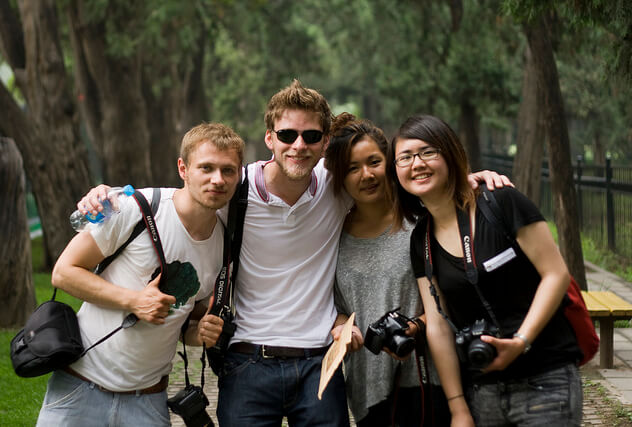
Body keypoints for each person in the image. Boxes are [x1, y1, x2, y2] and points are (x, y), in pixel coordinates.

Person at [81, 80, 509, 426]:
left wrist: (466, 179)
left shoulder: (337, 185)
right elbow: (186, 192)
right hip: (246, 362)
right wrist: (111, 195)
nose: (298, 145)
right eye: (287, 135)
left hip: (318, 365)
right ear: (270, 138)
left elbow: (392, 171)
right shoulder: (235, 188)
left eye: (310, 136)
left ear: (325, 142)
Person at [36, 123, 244, 427]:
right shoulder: (135, 209)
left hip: (147, 401)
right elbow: (64, 272)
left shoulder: (224, 245)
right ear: (183, 169)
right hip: (79, 386)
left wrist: (199, 334)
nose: (218, 179)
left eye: (228, 170)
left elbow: (184, 318)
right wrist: (133, 300)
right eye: (206, 168)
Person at [390, 114, 583, 426]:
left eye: (428, 152)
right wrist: (457, 408)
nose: (417, 164)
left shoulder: (500, 201)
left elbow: (555, 274)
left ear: (450, 153)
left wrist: (521, 341)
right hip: (482, 390)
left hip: (545, 378)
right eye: (405, 157)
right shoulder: (420, 239)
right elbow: (438, 326)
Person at [324, 112, 450, 426]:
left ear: (389, 161)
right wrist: (342, 329)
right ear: (340, 176)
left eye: (374, 162)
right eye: (352, 168)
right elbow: (340, 306)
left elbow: (450, 293)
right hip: (367, 386)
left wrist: (416, 327)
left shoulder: (421, 221)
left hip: (428, 380)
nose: (366, 175)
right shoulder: (332, 232)